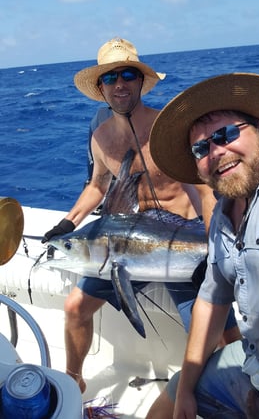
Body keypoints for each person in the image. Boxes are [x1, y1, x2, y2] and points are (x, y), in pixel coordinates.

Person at [42, 38, 239, 394]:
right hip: (122, 246)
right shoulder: (100, 136)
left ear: (140, 82)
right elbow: (99, 186)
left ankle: (245, 393)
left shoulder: (168, 127)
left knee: (221, 330)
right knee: (74, 308)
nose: (120, 83)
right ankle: (72, 382)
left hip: (182, 246)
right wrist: (68, 224)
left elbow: (203, 186)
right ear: (101, 88)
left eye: (128, 74)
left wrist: (214, 248)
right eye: (111, 77)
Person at [147, 72, 259, 419]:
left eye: (226, 134)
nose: (216, 151)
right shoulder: (222, 214)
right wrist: (186, 390)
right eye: (202, 147)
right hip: (254, 365)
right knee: (164, 408)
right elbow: (211, 298)